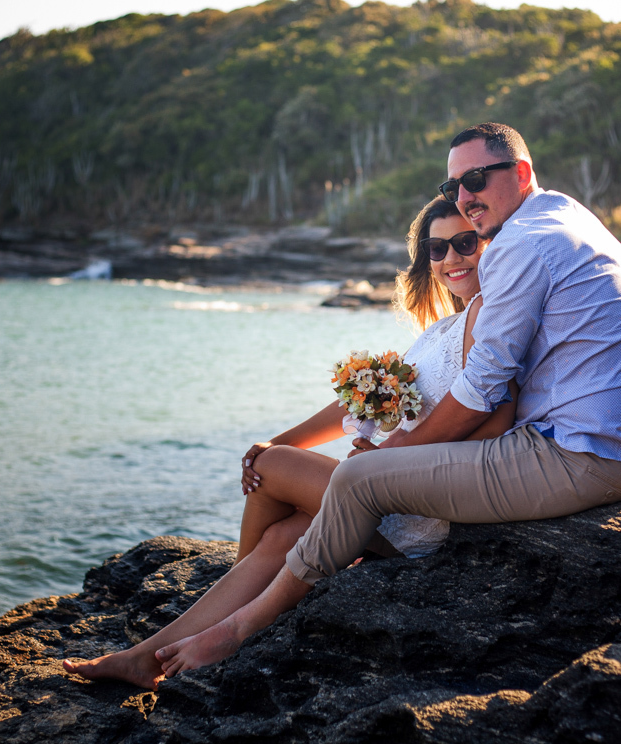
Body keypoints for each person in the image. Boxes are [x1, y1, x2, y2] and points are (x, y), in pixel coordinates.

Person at [148, 122, 621, 679]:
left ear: (521, 174)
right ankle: (156, 653)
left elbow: (485, 393)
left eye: (475, 179)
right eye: (453, 187)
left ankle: (237, 632)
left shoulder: (522, 243)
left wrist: (392, 451)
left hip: (583, 452)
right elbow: (399, 397)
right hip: (617, 446)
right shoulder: (561, 219)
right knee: (288, 520)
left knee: (353, 479)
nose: (464, 197)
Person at [62, 198, 517, 688]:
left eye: (465, 243)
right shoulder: (440, 329)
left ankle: (231, 603)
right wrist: (275, 440)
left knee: (273, 467)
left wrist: (393, 455)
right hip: (383, 489)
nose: (452, 257)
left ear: (490, 241)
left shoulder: (491, 315)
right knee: (280, 529)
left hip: (418, 505)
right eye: (437, 247)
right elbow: (361, 405)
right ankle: (147, 659)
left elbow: (495, 420)